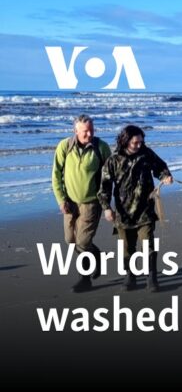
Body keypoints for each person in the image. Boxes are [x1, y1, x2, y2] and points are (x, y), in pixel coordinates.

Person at [98, 125, 173, 292]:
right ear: (125, 141)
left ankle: (151, 277)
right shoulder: (113, 160)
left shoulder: (146, 154)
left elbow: (160, 167)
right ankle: (130, 276)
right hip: (123, 212)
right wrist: (106, 208)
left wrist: (165, 176)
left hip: (145, 209)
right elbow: (104, 186)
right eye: (135, 142)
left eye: (141, 141)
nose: (139, 145)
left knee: (148, 244)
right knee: (127, 247)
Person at [52, 114, 112, 293]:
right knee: (70, 240)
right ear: (75, 131)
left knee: (83, 243)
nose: (89, 134)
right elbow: (56, 175)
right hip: (69, 203)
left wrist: (107, 204)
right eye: (85, 131)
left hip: (91, 203)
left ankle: (84, 280)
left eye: (91, 130)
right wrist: (61, 200)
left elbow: (109, 177)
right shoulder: (65, 146)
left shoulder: (101, 147)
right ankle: (97, 256)